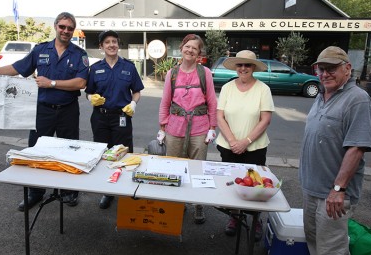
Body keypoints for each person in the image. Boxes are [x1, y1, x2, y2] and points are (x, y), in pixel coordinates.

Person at [0, 12, 89, 210]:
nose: (66, 31)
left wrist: (51, 83)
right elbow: (17, 68)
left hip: (68, 111)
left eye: (70, 28)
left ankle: (69, 192)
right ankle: (35, 193)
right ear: (55, 26)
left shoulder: (80, 54)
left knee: (70, 152)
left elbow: (80, 82)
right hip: (42, 111)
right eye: (62, 27)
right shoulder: (41, 50)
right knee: (36, 151)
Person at [299, 46, 371, 255]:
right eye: (321, 69)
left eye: (331, 69)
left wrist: (338, 189)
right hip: (312, 189)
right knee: (314, 245)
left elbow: (357, 148)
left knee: (332, 252)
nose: (325, 74)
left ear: (347, 68)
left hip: (333, 195)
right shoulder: (322, 94)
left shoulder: (357, 99)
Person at [157, 34, 217, 224]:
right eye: (187, 46)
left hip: (200, 128)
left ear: (199, 53)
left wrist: (212, 127)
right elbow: (165, 102)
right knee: (174, 167)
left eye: (195, 48)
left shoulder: (204, 72)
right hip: (174, 128)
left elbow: (212, 102)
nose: (190, 50)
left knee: (198, 168)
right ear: (182, 48)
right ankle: (177, 203)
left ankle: (198, 205)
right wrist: (162, 126)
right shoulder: (172, 73)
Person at [216, 50, 274, 240]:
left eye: (247, 65)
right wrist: (233, 141)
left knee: (255, 186)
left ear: (253, 68)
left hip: (254, 148)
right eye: (239, 65)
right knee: (233, 184)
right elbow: (219, 116)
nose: (243, 68)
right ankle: (234, 217)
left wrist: (246, 142)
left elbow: (265, 120)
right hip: (228, 146)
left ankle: (255, 219)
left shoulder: (263, 89)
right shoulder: (227, 88)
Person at [85, 30, 144, 209]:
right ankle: (107, 191)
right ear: (101, 46)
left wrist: (133, 104)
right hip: (100, 117)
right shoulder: (95, 69)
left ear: (118, 45)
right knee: (104, 154)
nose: (111, 45)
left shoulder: (129, 67)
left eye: (114, 42)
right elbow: (89, 92)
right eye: (107, 42)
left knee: (125, 154)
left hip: (121, 116)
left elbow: (136, 92)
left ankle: (126, 189)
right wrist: (91, 98)